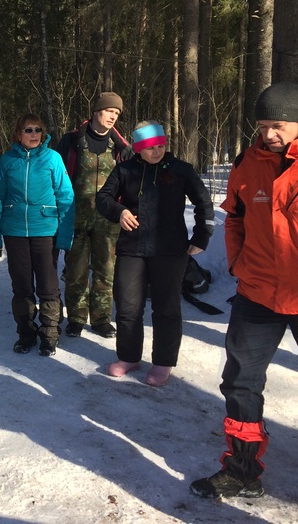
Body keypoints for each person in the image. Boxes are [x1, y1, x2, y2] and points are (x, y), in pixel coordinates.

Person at [190, 81, 298, 499]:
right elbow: (234, 217)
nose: (269, 134)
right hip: (257, 293)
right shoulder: (246, 162)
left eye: (279, 125)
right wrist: (237, 263)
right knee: (240, 384)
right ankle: (242, 470)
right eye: (263, 125)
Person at [96, 121, 214, 386]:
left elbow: (203, 203)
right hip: (132, 249)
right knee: (127, 307)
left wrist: (201, 236)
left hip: (170, 251)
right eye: (151, 148)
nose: (157, 151)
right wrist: (120, 211)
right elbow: (102, 198)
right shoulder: (125, 170)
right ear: (138, 148)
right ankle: (128, 357)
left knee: (166, 308)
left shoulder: (180, 170)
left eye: (161, 145)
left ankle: (163, 362)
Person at [0, 114, 74, 356]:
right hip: (14, 232)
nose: (34, 134)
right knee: (22, 287)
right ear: (18, 134)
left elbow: (66, 197)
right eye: (28, 130)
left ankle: (50, 334)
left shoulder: (52, 159)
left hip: (45, 231)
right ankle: (26, 334)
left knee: (48, 285)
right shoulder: (7, 161)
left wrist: (65, 237)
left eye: (38, 130)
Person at [56, 91, 134, 339]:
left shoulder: (121, 147)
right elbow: (55, 175)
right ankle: (77, 319)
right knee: (76, 270)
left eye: (117, 113)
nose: (113, 116)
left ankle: (101, 319)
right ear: (96, 110)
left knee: (105, 270)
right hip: (76, 215)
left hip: (108, 219)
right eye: (110, 111)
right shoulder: (72, 141)